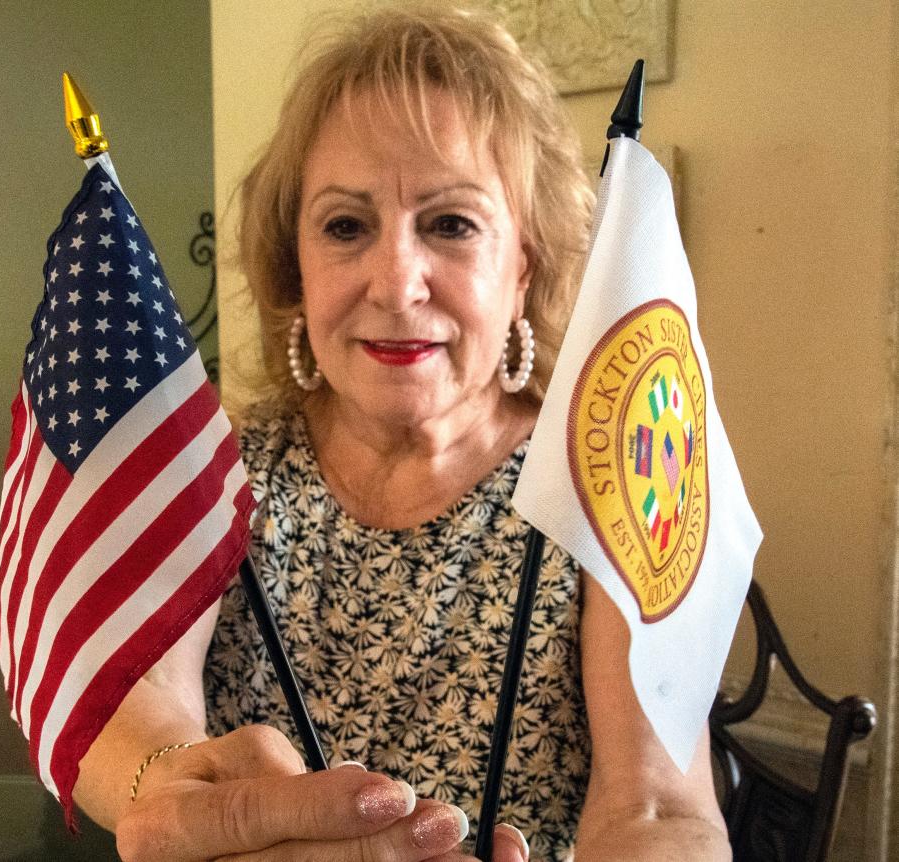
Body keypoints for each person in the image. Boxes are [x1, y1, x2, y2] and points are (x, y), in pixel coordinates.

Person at [73, 4, 728, 860]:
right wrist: (167, 784)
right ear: (295, 267)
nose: (396, 281)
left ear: (523, 263)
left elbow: (658, 814)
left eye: (451, 224)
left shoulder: (610, 476)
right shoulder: (211, 471)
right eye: (346, 227)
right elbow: (131, 708)